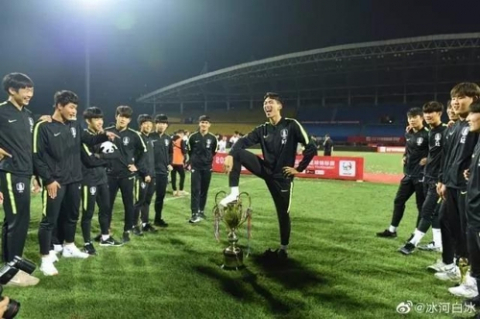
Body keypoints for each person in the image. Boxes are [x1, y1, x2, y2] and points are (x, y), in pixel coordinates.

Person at [221, 92, 316, 259]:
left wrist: (299, 169)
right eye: (265, 103)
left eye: (270, 102)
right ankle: (234, 193)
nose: (267, 105)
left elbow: (311, 147)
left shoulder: (291, 124)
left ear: (279, 106)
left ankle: (284, 248)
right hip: (266, 169)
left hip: (282, 177)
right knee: (238, 153)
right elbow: (242, 142)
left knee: (283, 213)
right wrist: (229, 154)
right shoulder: (262, 129)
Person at [34, 90, 115, 276]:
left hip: (75, 180)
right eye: (71, 107)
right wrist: (49, 180)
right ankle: (45, 258)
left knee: (72, 216)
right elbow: (36, 157)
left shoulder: (75, 126)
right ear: (59, 106)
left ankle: (69, 246)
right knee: (49, 220)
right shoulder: (43, 126)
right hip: (56, 182)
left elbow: (89, 139)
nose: (74, 111)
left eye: (76, 108)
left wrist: (105, 135)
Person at [434, 83, 480, 283]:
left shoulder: (474, 125)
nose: (455, 102)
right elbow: (448, 156)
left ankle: (469, 277)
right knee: (447, 222)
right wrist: (443, 180)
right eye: (454, 98)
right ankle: (454, 266)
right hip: (451, 184)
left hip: (465, 186)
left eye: (461, 97)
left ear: (474, 99)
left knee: (466, 231)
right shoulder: (458, 125)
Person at [0, 73, 39, 286]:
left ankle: (9, 266)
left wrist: (34, 175)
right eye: (25, 89)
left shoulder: (29, 115)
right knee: (17, 221)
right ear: (12, 90)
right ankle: (11, 274)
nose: (29, 94)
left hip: (25, 172)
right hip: (9, 173)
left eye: (31, 89)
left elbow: (28, 148)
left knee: (17, 220)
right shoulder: (1, 111)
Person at [398, 101, 446, 255]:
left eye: (432, 112)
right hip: (426, 176)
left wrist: (443, 178)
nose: (428, 115)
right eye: (426, 113)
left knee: (426, 211)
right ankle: (438, 244)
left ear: (439, 114)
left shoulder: (446, 131)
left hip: (438, 179)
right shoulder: (428, 132)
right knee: (435, 214)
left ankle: (412, 243)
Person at [376, 107, 429, 238]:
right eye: (410, 118)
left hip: (422, 176)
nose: (412, 120)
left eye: (415, 118)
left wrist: (429, 159)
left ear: (421, 118)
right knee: (398, 200)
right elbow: (408, 148)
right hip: (408, 174)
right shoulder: (409, 132)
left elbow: (437, 151)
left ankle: (416, 235)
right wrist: (404, 156)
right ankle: (392, 230)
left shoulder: (428, 134)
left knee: (421, 206)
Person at [80, 107, 123, 254]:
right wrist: (102, 158)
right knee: (88, 213)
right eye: (96, 119)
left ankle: (105, 237)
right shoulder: (84, 136)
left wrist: (100, 157)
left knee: (105, 209)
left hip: (102, 178)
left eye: (101, 119)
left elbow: (116, 154)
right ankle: (87, 243)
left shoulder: (104, 135)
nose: (100, 122)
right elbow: (89, 160)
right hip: (88, 180)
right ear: (88, 121)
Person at [104, 106, 147, 243]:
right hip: (109, 175)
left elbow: (143, 151)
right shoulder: (106, 132)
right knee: (107, 205)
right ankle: (106, 230)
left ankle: (127, 230)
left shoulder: (134, 135)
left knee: (129, 204)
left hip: (127, 175)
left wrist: (137, 166)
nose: (123, 119)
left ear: (129, 120)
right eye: (121, 116)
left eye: (126, 117)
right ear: (116, 116)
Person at [456, 100, 480, 302]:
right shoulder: (478, 139)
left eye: (474, 114)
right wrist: (471, 173)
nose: (470, 118)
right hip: (473, 211)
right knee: (477, 258)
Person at [187, 115, 218, 223]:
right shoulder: (193, 137)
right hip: (196, 167)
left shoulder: (213, 138)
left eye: (206, 122)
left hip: (207, 168)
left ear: (209, 124)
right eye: (202, 122)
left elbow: (213, 152)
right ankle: (194, 213)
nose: (204, 124)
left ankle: (201, 210)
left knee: (204, 190)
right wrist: (194, 161)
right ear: (199, 123)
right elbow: (189, 151)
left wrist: (207, 160)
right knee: (195, 190)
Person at [133, 114, 157, 235]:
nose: (148, 126)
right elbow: (137, 159)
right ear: (141, 125)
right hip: (142, 176)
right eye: (145, 123)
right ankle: (133, 225)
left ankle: (145, 223)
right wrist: (144, 173)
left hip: (152, 175)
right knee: (139, 201)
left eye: (150, 123)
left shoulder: (150, 139)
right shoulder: (137, 138)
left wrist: (152, 173)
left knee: (147, 201)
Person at [150, 114, 172, 227]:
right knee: (145, 198)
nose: (162, 125)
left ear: (166, 125)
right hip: (150, 173)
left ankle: (157, 219)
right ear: (155, 124)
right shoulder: (149, 136)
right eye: (159, 123)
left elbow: (170, 152)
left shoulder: (168, 138)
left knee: (160, 197)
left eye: (164, 123)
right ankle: (141, 221)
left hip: (163, 173)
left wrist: (169, 163)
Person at [171, 130, 188, 197]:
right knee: (182, 176)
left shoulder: (171, 140)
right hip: (179, 161)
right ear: (181, 134)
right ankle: (181, 190)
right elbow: (184, 151)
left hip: (172, 161)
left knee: (173, 176)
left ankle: (174, 190)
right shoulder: (181, 140)